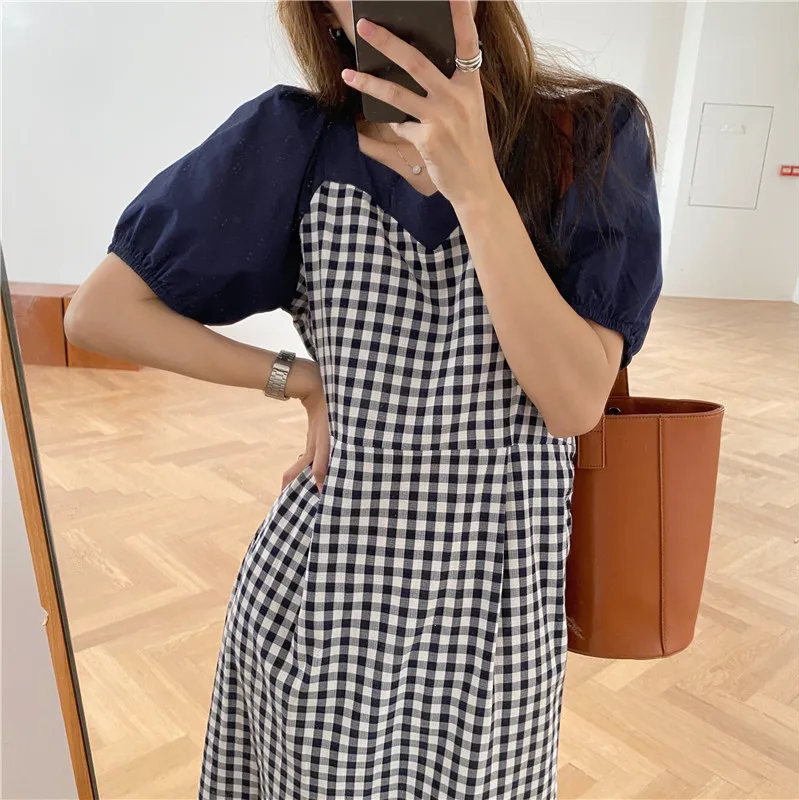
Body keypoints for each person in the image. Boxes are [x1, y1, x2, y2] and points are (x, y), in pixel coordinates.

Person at [65, 0, 662, 797]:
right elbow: (100, 312)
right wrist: (299, 380)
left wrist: (475, 184)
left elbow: (573, 402)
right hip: (325, 605)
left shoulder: (586, 138)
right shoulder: (295, 143)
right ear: (328, 14)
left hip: (495, 616)